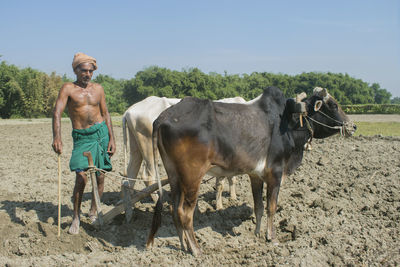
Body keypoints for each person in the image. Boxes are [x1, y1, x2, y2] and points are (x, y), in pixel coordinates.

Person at [52, 52, 116, 234]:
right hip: (82, 137)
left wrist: (112, 138)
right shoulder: (68, 89)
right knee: (81, 177)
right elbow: (57, 113)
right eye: (84, 70)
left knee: (101, 175)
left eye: (90, 71)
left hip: (100, 135)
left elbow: (106, 113)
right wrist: (57, 136)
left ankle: (94, 211)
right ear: (76, 70)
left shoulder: (99, 89)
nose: (87, 74)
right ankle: (76, 216)